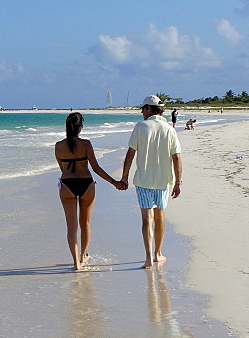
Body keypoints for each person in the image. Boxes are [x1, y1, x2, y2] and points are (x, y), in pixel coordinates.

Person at [55, 112, 124, 271]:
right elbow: (96, 168)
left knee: (71, 227)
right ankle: (84, 255)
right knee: (85, 223)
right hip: (86, 184)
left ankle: (76, 263)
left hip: (66, 185)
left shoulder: (58, 146)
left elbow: (63, 169)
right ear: (81, 128)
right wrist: (114, 182)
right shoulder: (86, 144)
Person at [120, 95, 182, 269]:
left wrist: (124, 177)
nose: (141, 112)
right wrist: (178, 182)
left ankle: (148, 257)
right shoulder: (169, 129)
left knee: (147, 219)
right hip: (163, 180)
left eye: (143, 109)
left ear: (149, 109)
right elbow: (176, 157)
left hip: (143, 180)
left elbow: (130, 154)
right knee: (159, 216)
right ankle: (157, 253)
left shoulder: (140, 127)